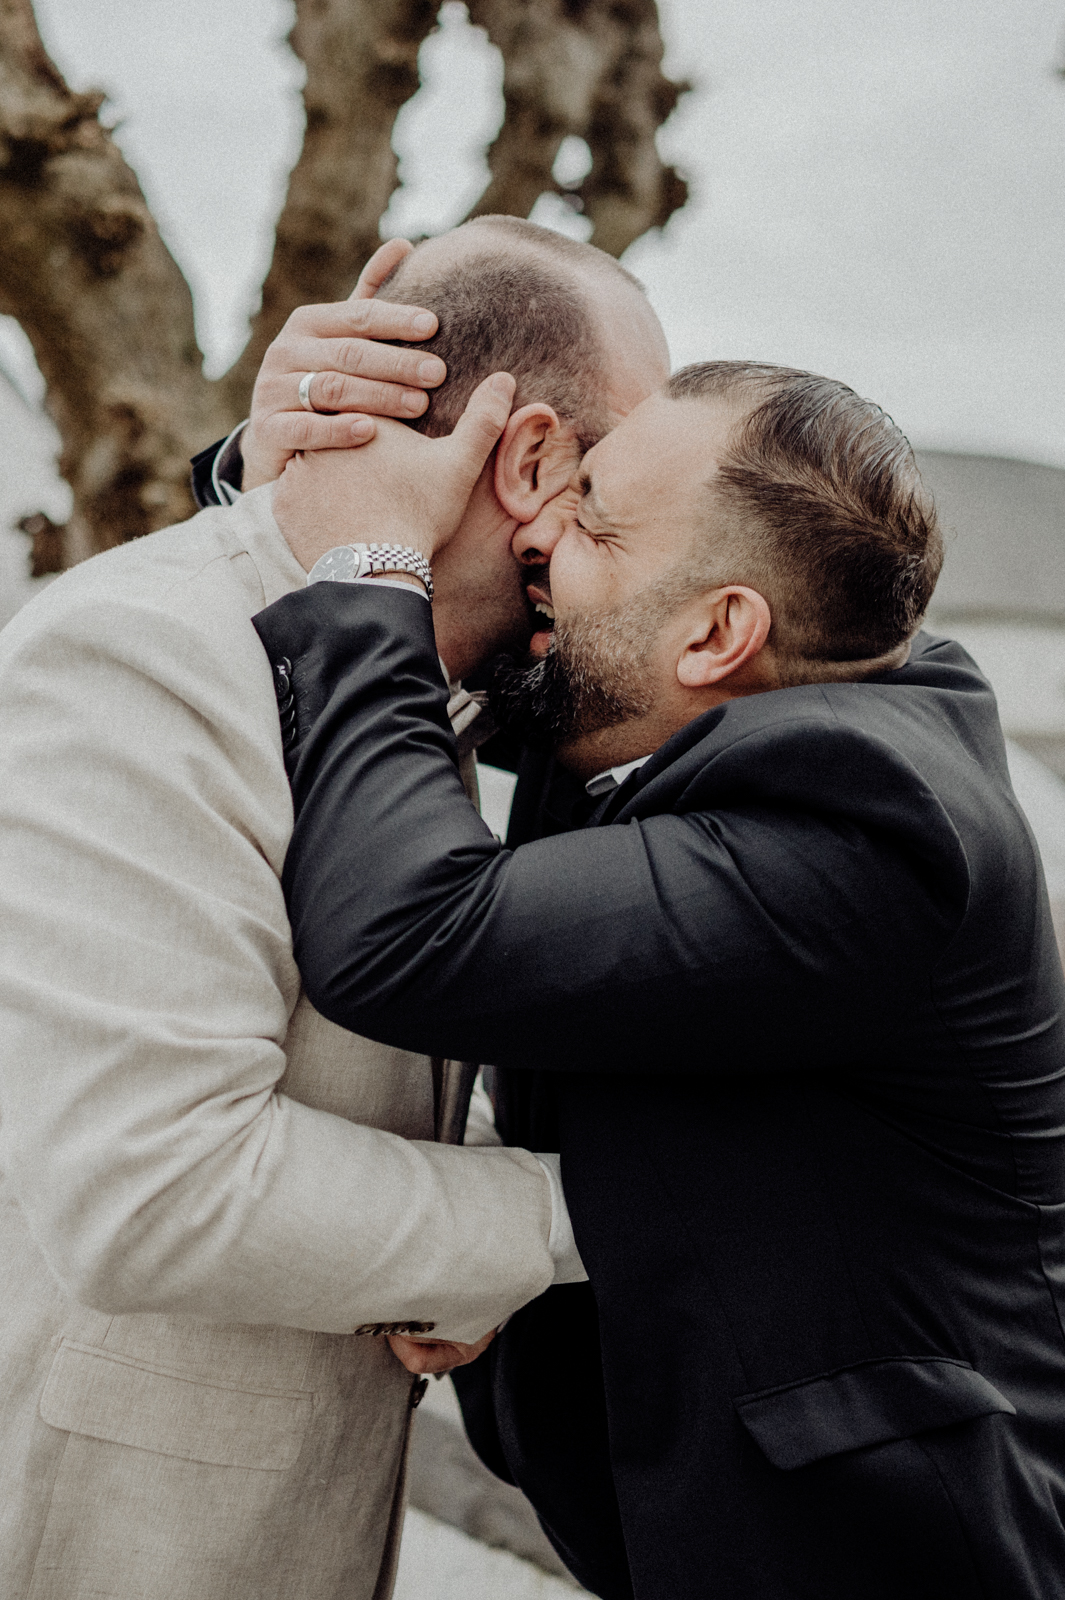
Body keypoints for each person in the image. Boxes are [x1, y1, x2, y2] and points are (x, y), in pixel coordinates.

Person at [252, 361, 1065, 1600]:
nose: (539, 530)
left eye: (591, 520)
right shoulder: (736, 694)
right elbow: (479, 664)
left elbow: (410, 929)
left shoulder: (869, 825)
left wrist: (369, 556)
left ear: (716, 632)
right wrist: (285, 451)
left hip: (881, 1555)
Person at [0, 219, 667, 1600]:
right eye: (622, 481)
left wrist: (448, 1246)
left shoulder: (440, 684)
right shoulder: (138, 655)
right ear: (531, 458)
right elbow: (157, 1192)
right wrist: (573, 1219)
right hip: (104, 1535)